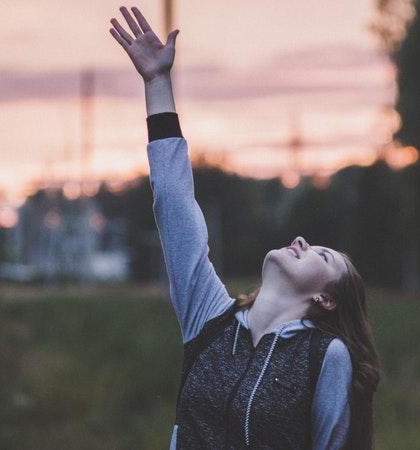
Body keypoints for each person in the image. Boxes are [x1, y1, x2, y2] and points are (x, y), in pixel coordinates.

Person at [109, 7, 380, 449]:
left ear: (326, 299)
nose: (301, 242)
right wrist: (158, 84)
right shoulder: (209, 318)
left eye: (323, 256)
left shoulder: (325, 358)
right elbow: (173, 202)